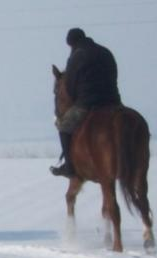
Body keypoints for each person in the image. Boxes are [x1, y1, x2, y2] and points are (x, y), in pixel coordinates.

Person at [51, 28, 122, 177]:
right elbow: (115, 74)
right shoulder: (105, 52)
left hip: (88, 103)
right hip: (113, 101)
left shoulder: (76, 57)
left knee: (64, 126)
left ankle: (69, 167)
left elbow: (70, 86)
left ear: (71, 43)